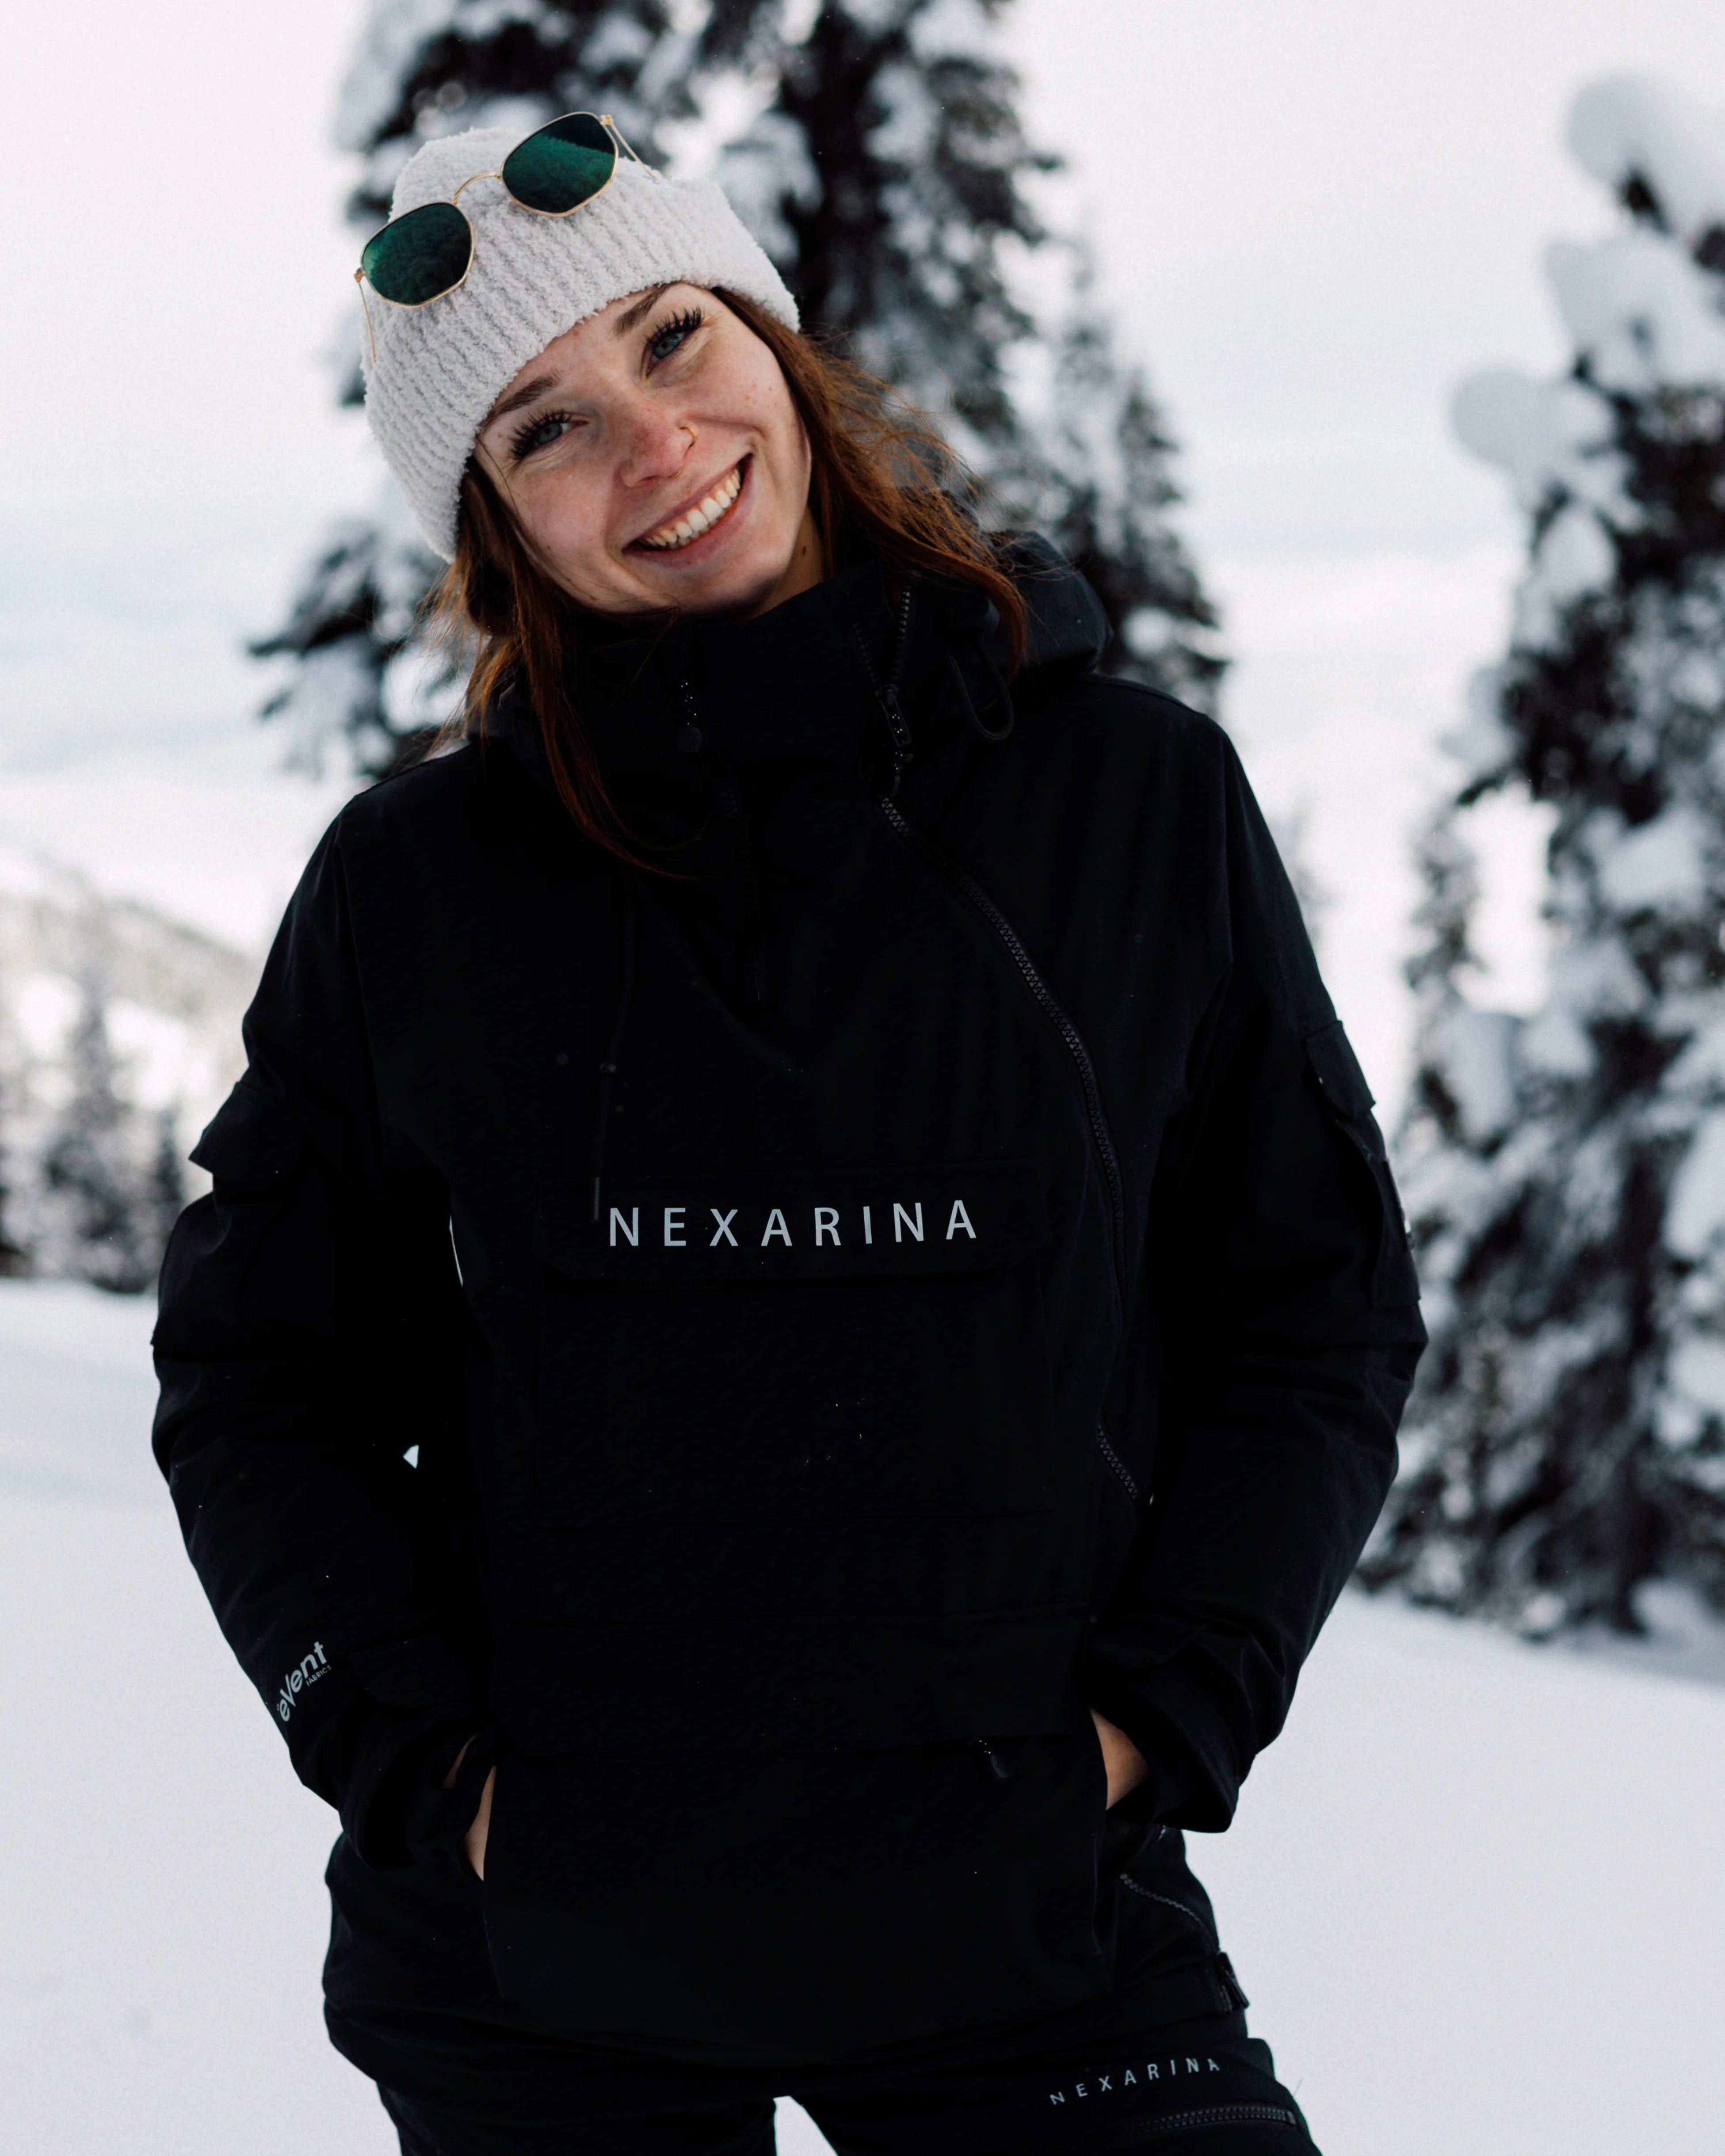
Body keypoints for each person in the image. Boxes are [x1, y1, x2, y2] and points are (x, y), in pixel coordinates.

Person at [153, 113, 1425, 2156]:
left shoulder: (1131, 797)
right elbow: (259, 1379)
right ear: (497, 528)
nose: (653, 441)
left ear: (775, 342)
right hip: (540, 1950)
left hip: (1029, 1916)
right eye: (546, 427)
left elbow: (1313, 1307)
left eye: (672, 336)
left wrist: (1157, 1716)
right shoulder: (418, 889)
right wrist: (425, 1773)